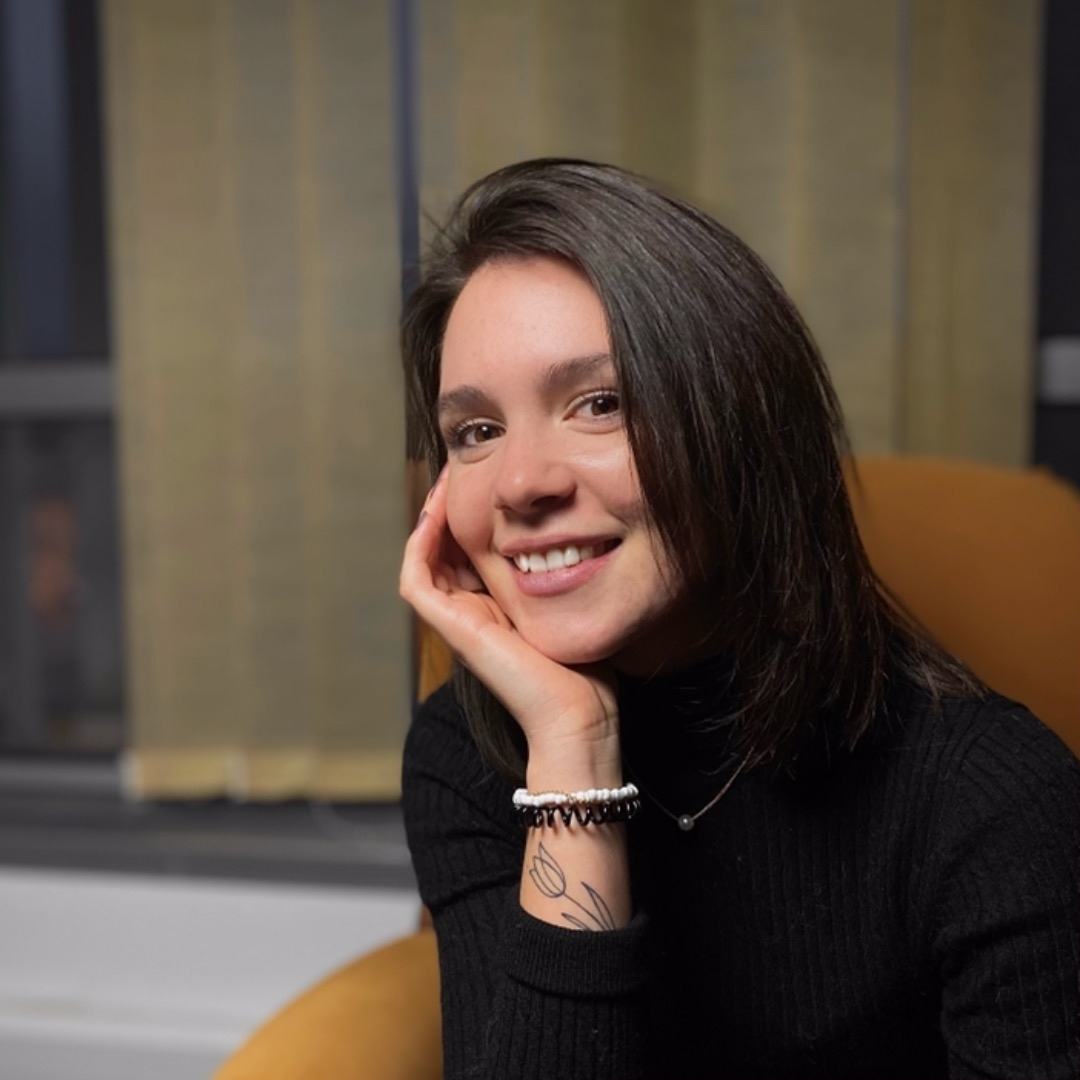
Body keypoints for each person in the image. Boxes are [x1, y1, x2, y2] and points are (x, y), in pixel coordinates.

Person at [398, 159, 1080, 1080]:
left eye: (600, 404)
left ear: (740, 428)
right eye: (476, 432)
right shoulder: (465, 756)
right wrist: (573, 753)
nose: (521, 484)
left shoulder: (995, 800)